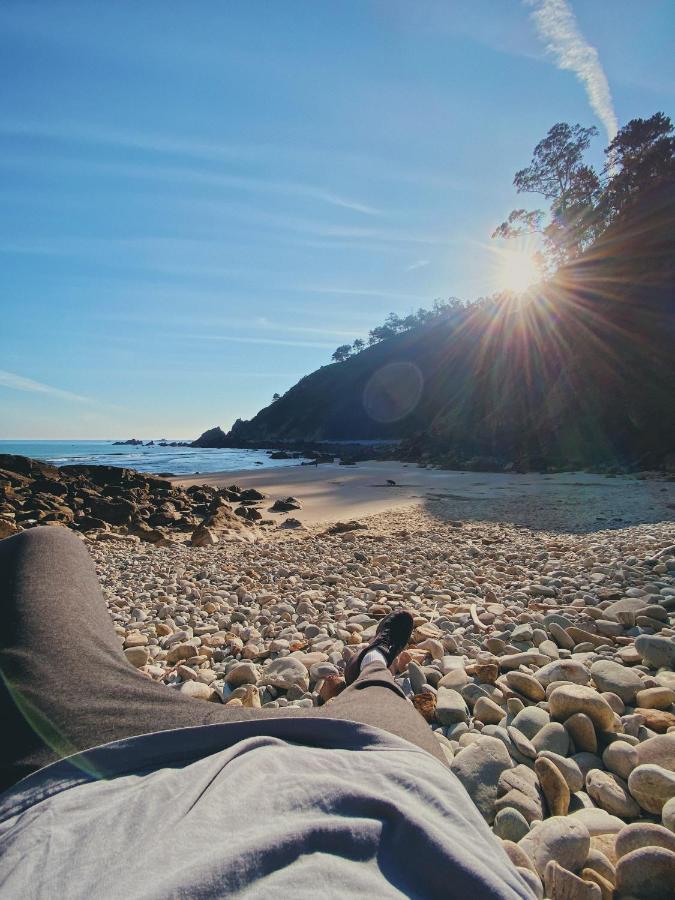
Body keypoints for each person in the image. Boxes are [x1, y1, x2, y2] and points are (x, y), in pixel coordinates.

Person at [0, 527, 534, 898]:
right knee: (380, 689)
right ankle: (370, 660)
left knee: (45, 546)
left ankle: (369, 666)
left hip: (83, 776)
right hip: (371, 766)